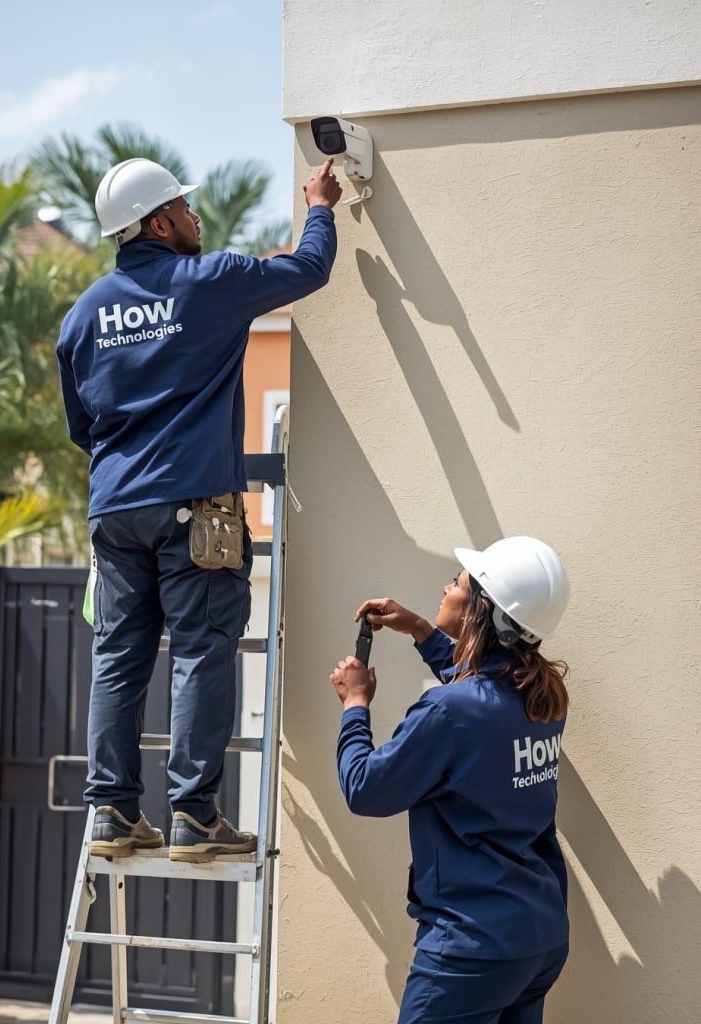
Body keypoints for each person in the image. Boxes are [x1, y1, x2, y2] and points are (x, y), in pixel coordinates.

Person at [57, 154, 341, 862]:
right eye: (184, 209)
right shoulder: (207, 282)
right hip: (191, 504)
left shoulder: (83, 315)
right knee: (201, 651)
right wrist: (320, 205)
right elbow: (307, 270)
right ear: (157, 221)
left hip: (114, 508)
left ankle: (111, 813)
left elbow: (80, 428)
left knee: (117, 658)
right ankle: (194, 815)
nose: (195, 217)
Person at [330, 537, 571, 1024]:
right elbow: (480, 693)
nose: (446, 586)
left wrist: (355, 705)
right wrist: (420, 629)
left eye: (458, 583)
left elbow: (366, 788)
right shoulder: (544, 698)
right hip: (538, 940)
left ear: (481, 609)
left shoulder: (449, 711)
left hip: (471, 949)